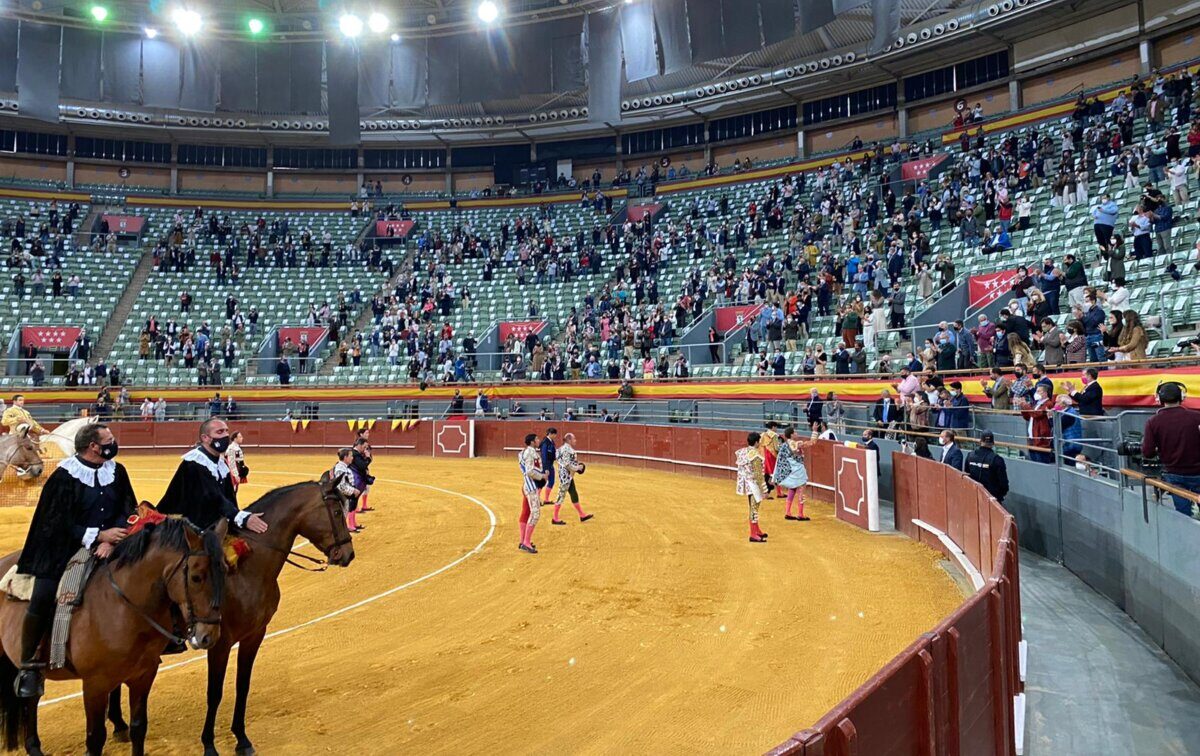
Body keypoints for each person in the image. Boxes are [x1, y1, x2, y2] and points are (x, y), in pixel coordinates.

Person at [14, 423, 136, 697]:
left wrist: (112, 538)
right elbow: (55, 522)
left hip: (112, 543)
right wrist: (97, 536)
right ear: (93, 446)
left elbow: (128, 507)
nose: (113, 443)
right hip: (63, 547)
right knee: (44, 594)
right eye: (108, 440)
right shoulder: (64, 477)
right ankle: (29, 664)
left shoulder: (117, 471)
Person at [157, 418, 269, 533]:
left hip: (204, 520)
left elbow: (228, 497)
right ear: (205, 438)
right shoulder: (194, 463)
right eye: (220, 432)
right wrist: (240, 517)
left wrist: (238, 515)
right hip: (179, 526)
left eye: (226, 431)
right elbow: (212, 496)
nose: (225, 435)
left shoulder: (219, 463)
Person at [1141, 382, 1200, 516]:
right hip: (1198, 472)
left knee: (1184, 515)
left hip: (1173, 474)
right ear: (1182, 397)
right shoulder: (1197, 417)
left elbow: (1147, 452)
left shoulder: (1153, 422)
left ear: (1160, 399)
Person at [551, 433, 594, 525]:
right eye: (574, 439)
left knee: (573, 493)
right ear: (569, 440)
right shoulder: (569, 450)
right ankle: (555, 518)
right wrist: (578, 468)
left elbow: (561, 462)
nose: (575, 440)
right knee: (561, 495)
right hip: (566, 476)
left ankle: (582, 515)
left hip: (564, 474)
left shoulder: (559, 449)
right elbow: (567, 464)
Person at [735, 433, 768, 543]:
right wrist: (765, 489)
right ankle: (753, 534)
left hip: (746, 483)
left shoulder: (743, 451)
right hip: (754, 484)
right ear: (756, 442)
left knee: (753, 507)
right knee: (754, 508)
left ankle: (756, 530)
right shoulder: (755, 455)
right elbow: (759, 475)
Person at [517, 433, 547, 553]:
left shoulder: (523, 452)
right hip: (531, 487)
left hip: (526, 485)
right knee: (535, 514)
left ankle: (522, 540)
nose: (539, 441)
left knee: (526, 512)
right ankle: (526, 542)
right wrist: (542, 476)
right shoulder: (530, 452)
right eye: (537, 439)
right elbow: (530, 471)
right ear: (532, 442)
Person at [774, 427, 810, 521]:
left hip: (791, 471)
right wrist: (814, 431)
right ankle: (800, 514)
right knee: (801, 490)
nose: (797, 433)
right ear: (791, 435)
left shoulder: (784, 445)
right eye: (795, 432)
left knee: (792, 489)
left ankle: (788, 512)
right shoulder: (797, 444)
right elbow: (812, 442)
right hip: (798, 470)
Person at [965, 430, 1009, 503]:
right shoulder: (997, 459)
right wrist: (1000, 495)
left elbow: (967, 475)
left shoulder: (970, 456)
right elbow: (1003, 483)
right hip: (992, 499)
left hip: (974, 497)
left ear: (980, 441)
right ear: (993, 443)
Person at [331, 447, 364, 531]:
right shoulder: (340, 469)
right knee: (339, 518)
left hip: (344, 497)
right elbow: (341, 486)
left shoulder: (344, 467)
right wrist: (353, 491)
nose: (352, 458)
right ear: (345, 457)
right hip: (340, 498)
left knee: (342, 517)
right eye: (351, 456)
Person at [538, 427, 558, 507]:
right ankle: (537, 499)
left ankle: (546, 499)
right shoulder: (545, 442)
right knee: (542, 482)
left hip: (550, 464)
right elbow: (544, 456)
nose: (555, 436)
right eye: (554, 434)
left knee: (551, 481)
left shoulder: (551, 442)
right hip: (545, 465)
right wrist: (545, 468)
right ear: (550, 434)